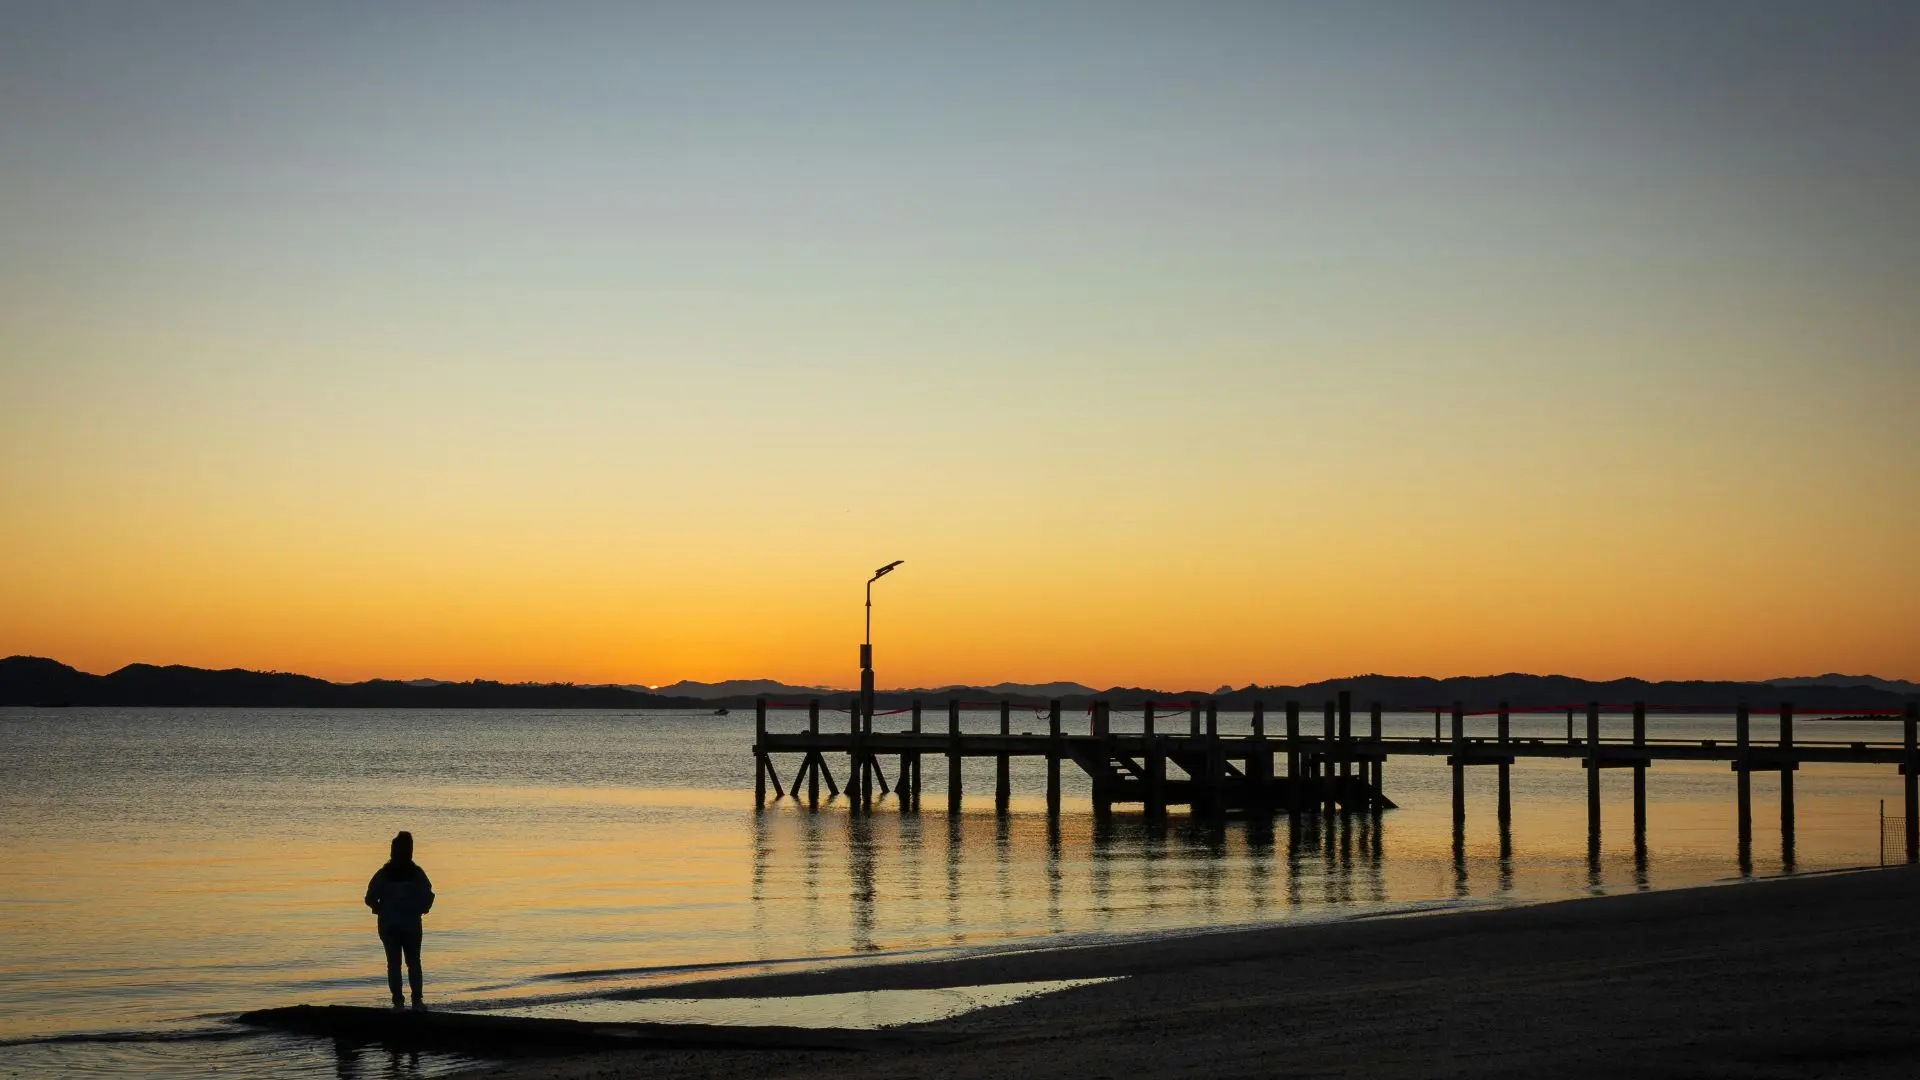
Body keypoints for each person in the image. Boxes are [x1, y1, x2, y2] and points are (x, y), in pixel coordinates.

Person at [364, 830, 435, 1011]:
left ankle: (398, 1003)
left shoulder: (383, 874)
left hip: (389, 925)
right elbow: (428, 897)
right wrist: (421, 909)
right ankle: (417, 1002)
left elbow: (370, 897)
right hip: (410, 924)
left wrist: (379, 909)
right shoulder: (417, 874)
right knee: (414, 962)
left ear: (392, 851)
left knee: (394, 964)